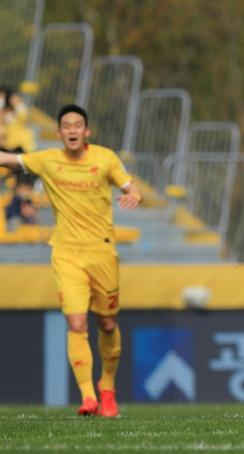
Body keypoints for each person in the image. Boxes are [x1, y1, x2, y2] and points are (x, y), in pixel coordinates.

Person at [0, 104, 142, 417]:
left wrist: (134, 195)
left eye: (78, 125)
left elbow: (131, 186)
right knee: (76, 324)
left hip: (102, 252)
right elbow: (8, 159)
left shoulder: (105, 158)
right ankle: (88, 397)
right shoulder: (48, 160)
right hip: (66, 253)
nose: (72, 130)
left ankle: (107, 389)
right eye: (67, 126)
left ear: (86, 131)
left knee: (107, 324)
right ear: (59, 133)